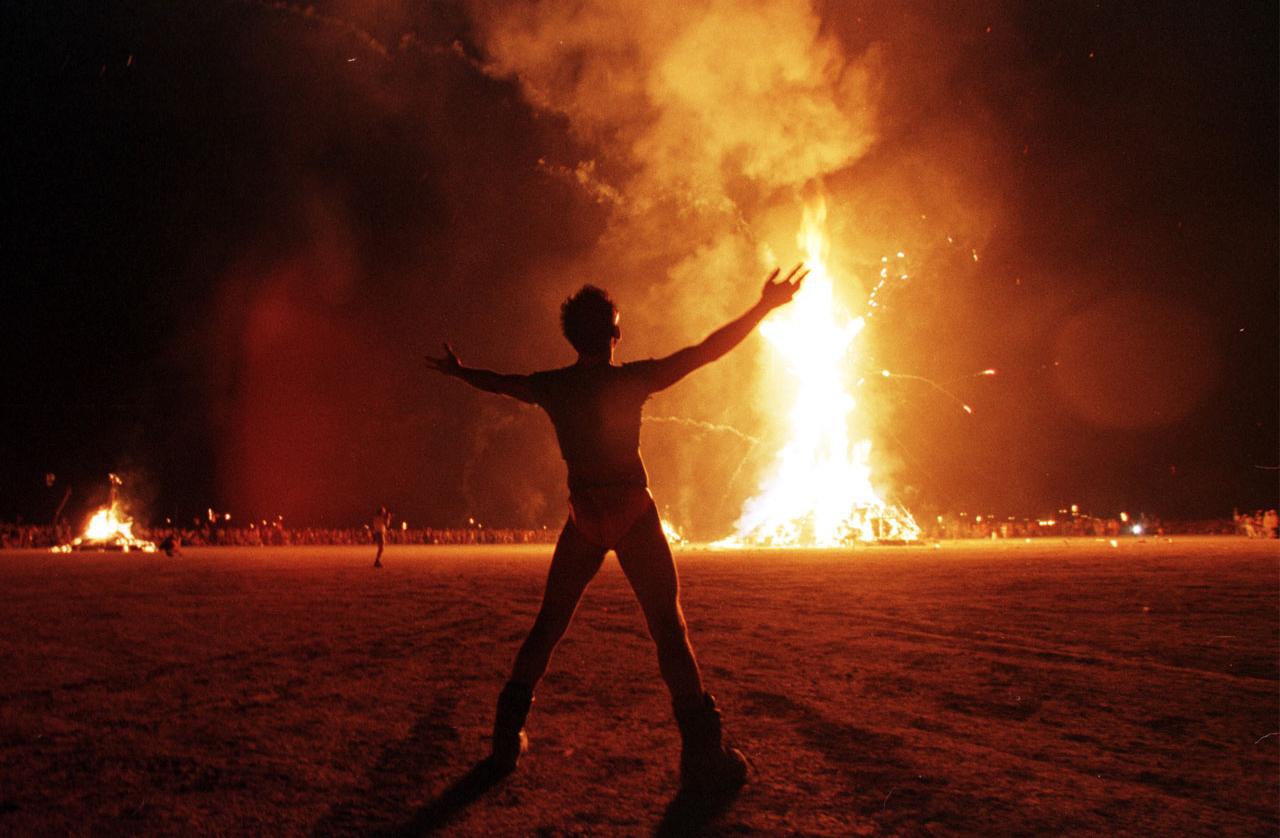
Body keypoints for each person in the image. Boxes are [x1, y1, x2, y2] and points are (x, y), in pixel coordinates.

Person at [426, 264, 806, 794]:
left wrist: (460, 370)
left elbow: (499, 384)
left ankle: (505, 740)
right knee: (668, 630)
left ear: (572, 337)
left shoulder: (552, 387)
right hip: (631, 509)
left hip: (585, 514)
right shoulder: (631, 379)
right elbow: (705, 351)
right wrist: (764, 307)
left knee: (549, 624)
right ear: (614, 333)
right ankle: (702, 755)